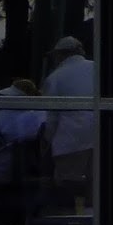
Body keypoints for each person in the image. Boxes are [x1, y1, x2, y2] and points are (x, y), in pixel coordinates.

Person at [42, 36, 94, 190]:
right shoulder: (98, 68)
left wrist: (47, 140)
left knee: (66, 186)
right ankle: (92, 213)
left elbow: (50, 117)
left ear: (60, 54)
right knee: (96, 185)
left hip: (70, 140)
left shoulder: (55, 77)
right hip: (100, 136)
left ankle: (68, 213)